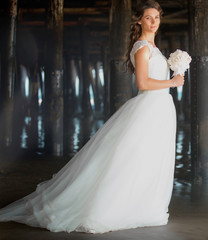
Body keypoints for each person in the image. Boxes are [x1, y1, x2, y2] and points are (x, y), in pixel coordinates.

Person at [0, 0, 184, 234]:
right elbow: (143, 83)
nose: (153, 22)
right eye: (148, 17)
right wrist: (173, 82)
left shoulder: (154, 47)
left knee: (150, 158)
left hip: (161, 109)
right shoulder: (142, 48)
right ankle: (116, 206)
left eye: (157, 17)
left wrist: (176, 72)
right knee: (131, 158)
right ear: (139, 20)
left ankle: (143, 203)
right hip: (148, 107)